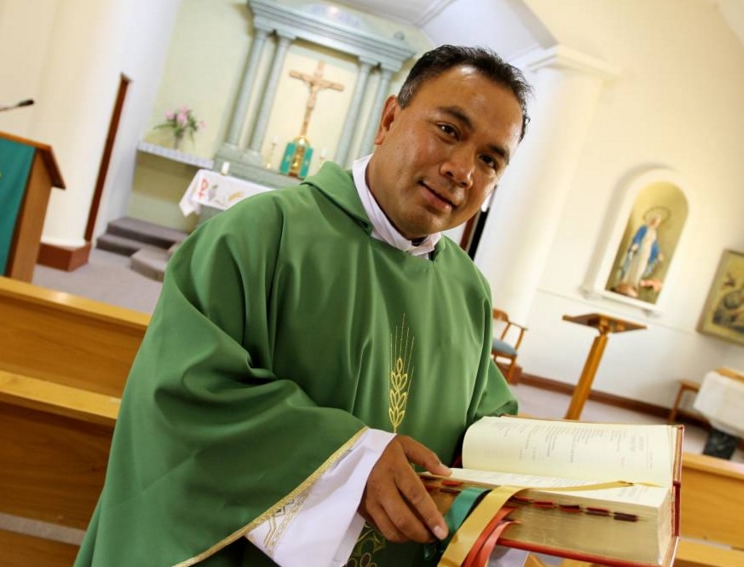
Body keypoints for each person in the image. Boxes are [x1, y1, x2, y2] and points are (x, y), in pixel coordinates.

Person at [75, 44, 531, 567]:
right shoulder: (256, 234)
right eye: (449, 130)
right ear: (388, 119)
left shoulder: (467, 289)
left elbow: (485, 423)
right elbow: (182, 396)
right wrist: (347, 464)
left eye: (490, 160)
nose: (461, 169)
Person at [612, 210, 665, 299]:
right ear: (652, 220)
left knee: (641, 267)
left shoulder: (654, 233)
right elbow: (638, 237)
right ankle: (625, 282)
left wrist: (658, 253)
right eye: (655, 221)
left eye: (658, 223)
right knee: (633, 266)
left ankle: (634, 284)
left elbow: (654, 245)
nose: (656, 224)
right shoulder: (644, 228)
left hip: (647, 252)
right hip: (639, 250)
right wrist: (636, 244)